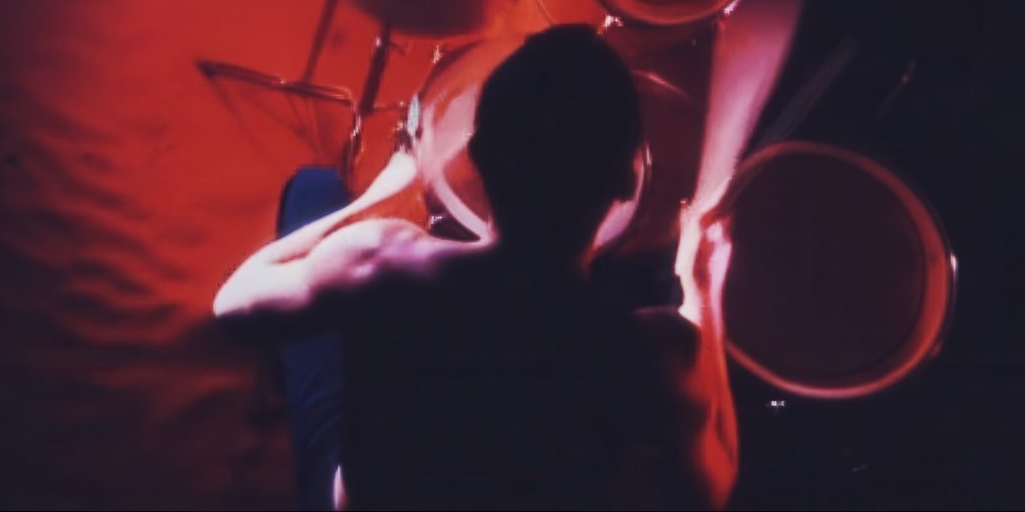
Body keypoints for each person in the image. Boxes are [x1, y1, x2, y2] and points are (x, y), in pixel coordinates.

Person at [213, 25, 737, 510]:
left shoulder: (382, 258)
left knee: (313, 190)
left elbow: (232, 304)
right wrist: (703, 290)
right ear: (626, 183)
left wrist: (379, 194)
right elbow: (708, 493)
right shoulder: (654, 355)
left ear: (478, 153)